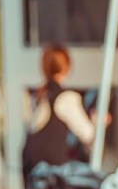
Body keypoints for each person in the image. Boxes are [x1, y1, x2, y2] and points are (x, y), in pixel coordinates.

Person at [21, 44, 98, 175]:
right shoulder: (65, 98)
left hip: (32, 169)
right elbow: (87, 134)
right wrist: (97, 121)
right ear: (67, 67)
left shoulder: (38, 97)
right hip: (53, 173)